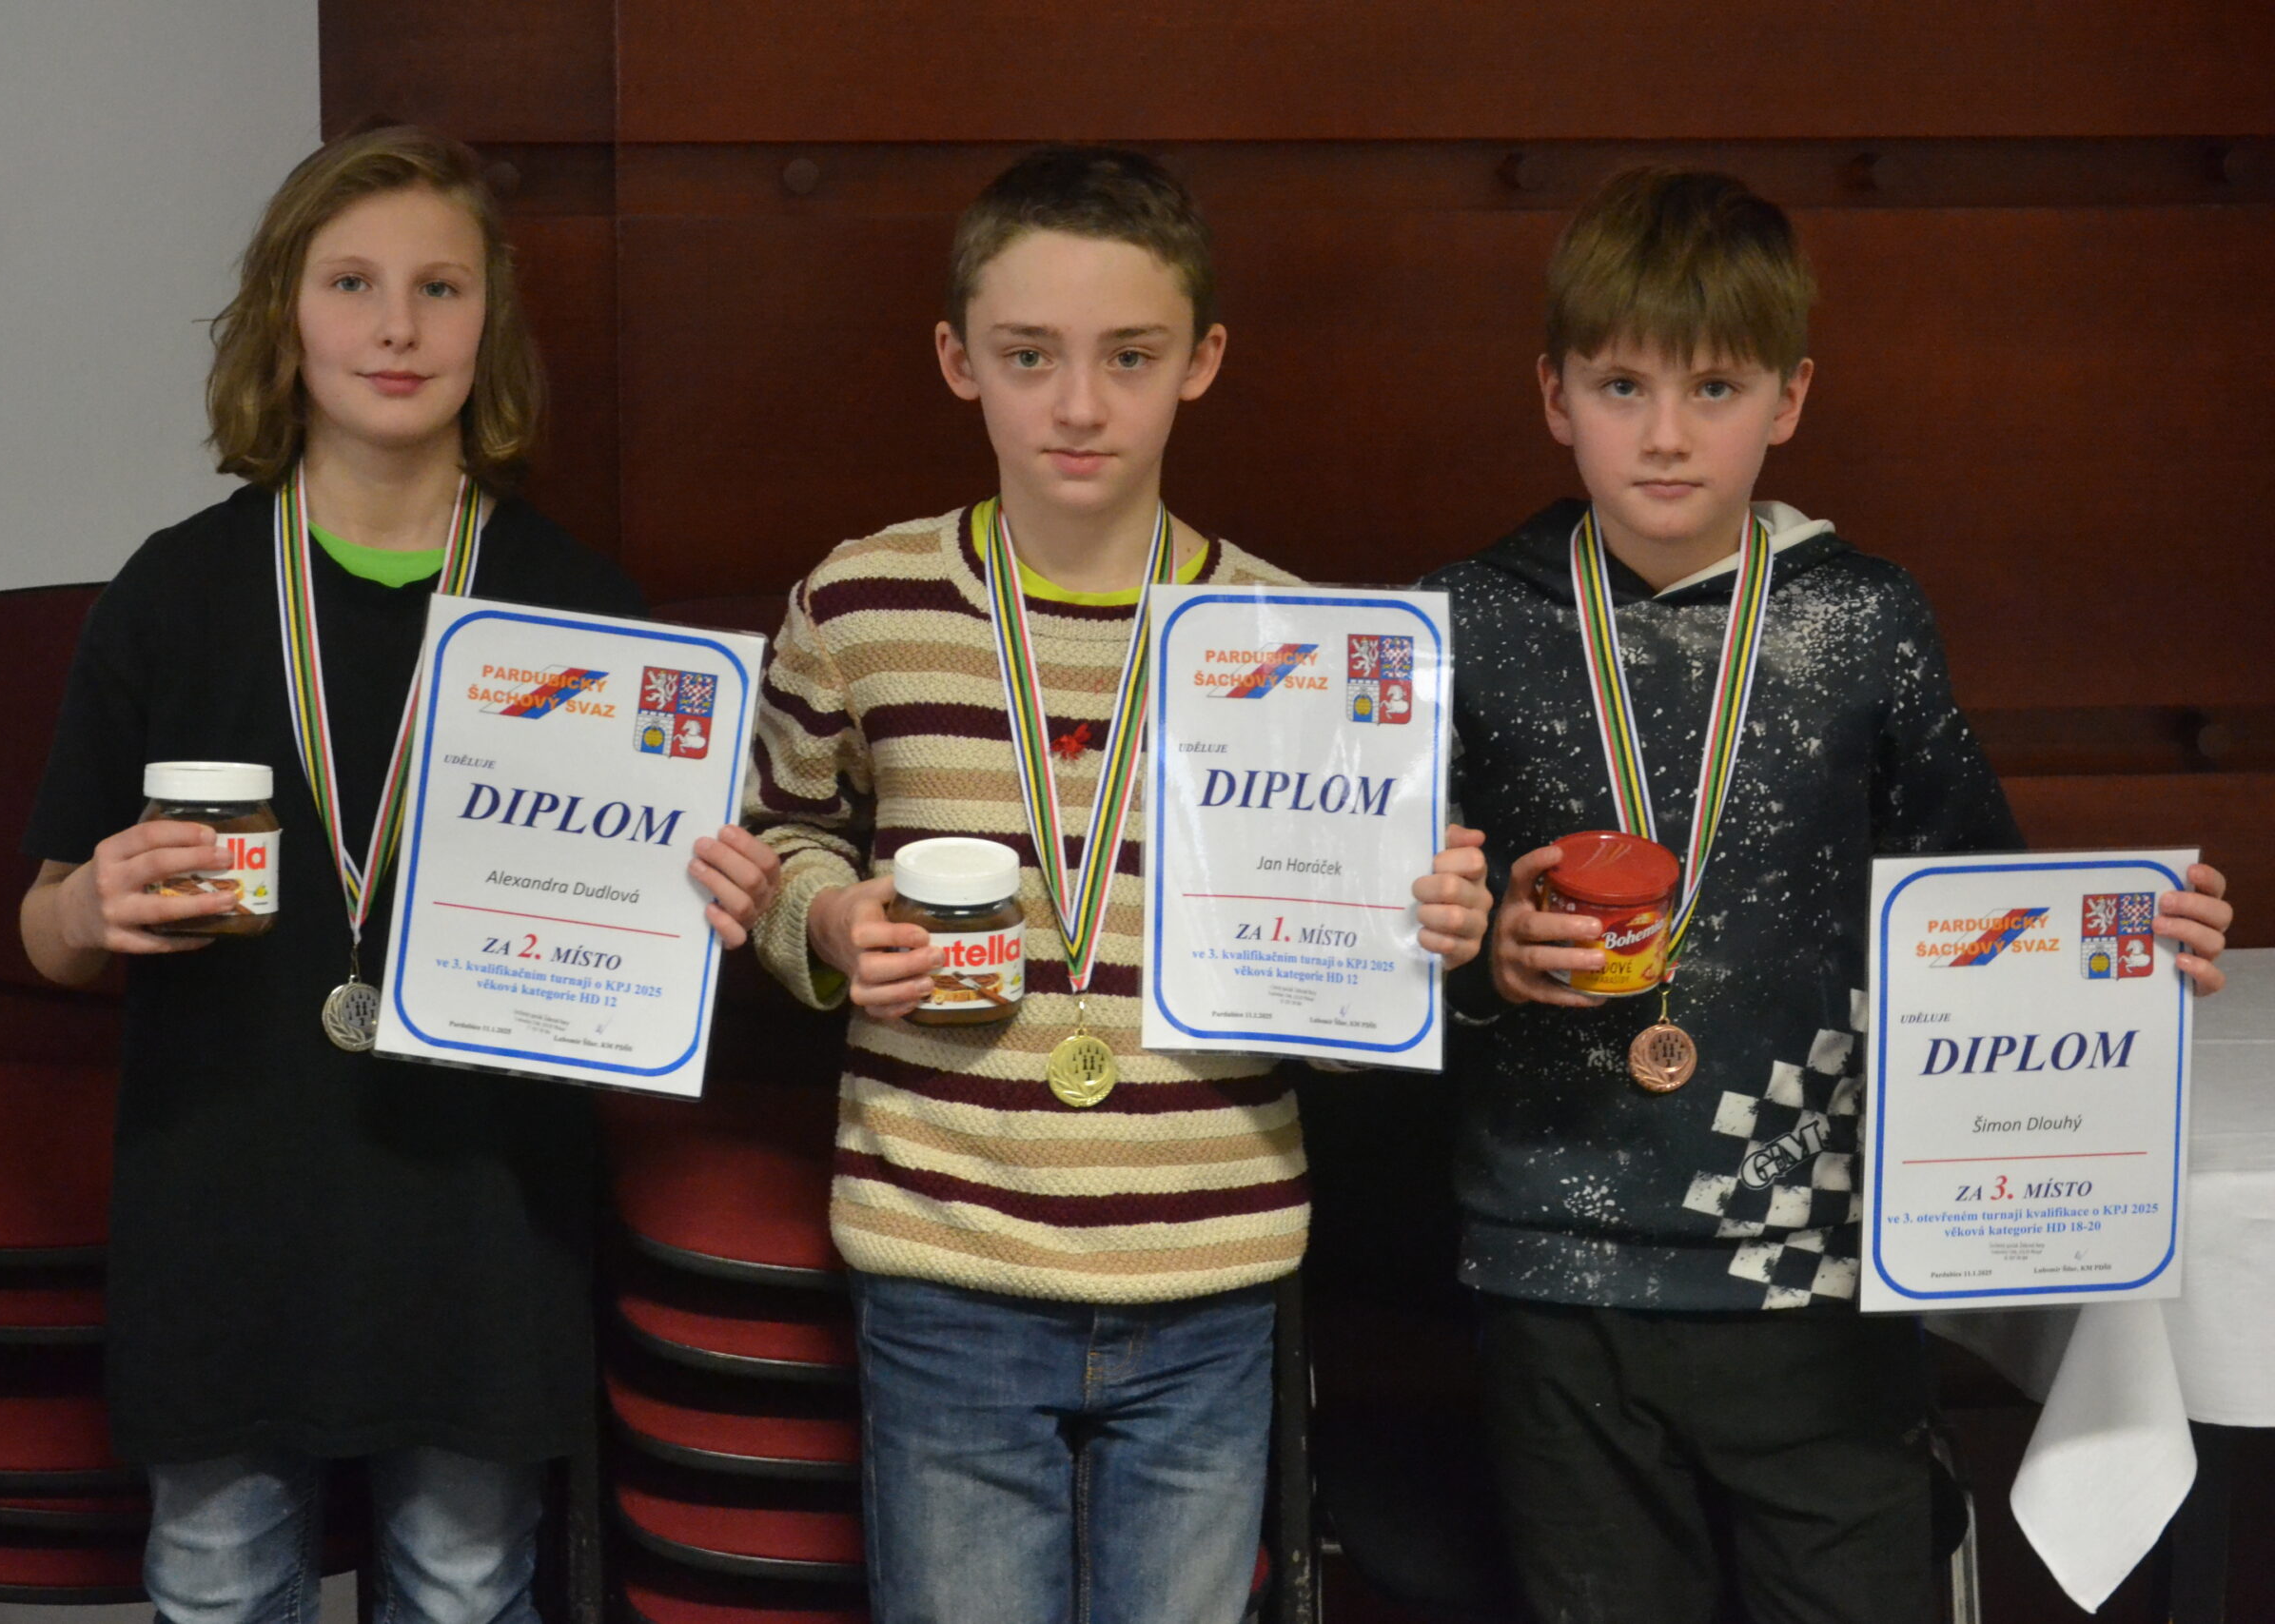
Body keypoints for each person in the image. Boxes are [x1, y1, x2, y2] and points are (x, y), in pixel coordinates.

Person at [1427, 166, 2234, 1624]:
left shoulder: (1863, 619)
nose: (1666, 434)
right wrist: (1483, 956)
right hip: (1557, 1257)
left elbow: (1979, 913)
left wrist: (2129, 944)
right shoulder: (1468, 621)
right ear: (1555, 395)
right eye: (1621, 386)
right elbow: (1375, 959)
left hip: (1818, 1257)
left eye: (1715, 388)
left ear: (1788, 398)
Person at [18, 126, 779, 1624]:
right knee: (218, 1579)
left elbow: (651, 939)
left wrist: (708, 912)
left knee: (465, 1581)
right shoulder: (178, 591)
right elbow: (45, 928)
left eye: (440, 288)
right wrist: (86, 906)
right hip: (227, 1200)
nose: (396, 327)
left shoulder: (578, 608)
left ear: (489, 324)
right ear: (284, 316)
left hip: (478, 1216)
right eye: (351, 283)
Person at [744, 146, 1489, 1624]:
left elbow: (1357, 955)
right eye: (1030, 355)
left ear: (1200, 362)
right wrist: (821, 920)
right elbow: (779, 836)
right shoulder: (859, 604)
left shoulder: (1301, 637)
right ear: (958, 359)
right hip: (949, 1249)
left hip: (1208, 1253)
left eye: (1129, 357)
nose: (1079, 404)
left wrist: (1423, 937)